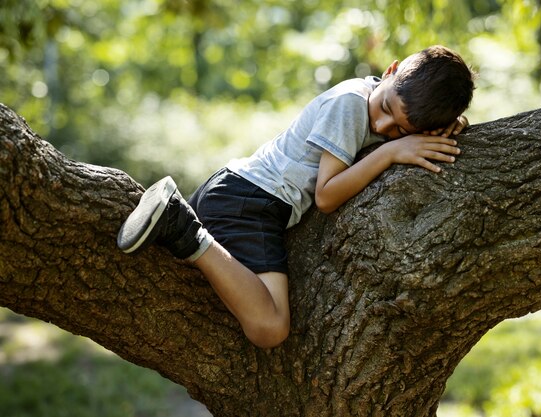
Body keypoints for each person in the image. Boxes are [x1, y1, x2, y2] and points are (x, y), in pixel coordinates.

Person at [117, 45, 476, 348]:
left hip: (245, 195)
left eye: (400, 131)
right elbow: (326, 195)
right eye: (386, 110)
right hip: (249, 200)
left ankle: (182, 226)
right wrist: (392, 151)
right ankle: (181, 226)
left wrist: (450, 127)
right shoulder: (350, 104)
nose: (383, 128)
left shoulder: (384, 100)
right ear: (390, 70)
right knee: (270, 328)